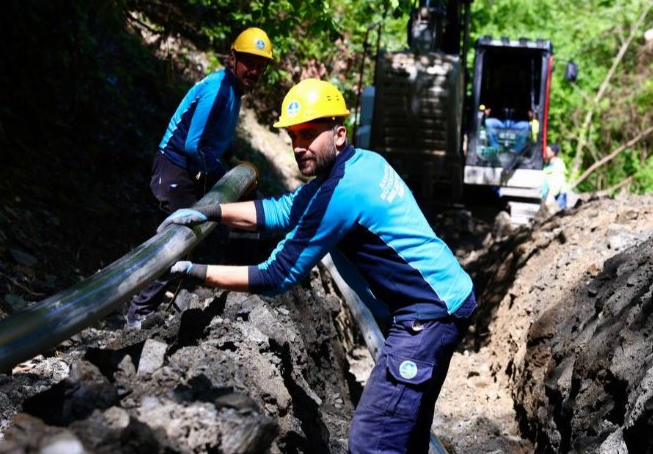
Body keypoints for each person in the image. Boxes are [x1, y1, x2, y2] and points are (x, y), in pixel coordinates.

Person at [158, 78, 476, 452]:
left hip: (427, 317)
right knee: (406, 436)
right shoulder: (363, 164)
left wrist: (196, 273)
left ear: (339, 134)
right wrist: (207, 211)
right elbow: (282, 211)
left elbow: (275, 275)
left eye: (309, 134)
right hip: (446, 300)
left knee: (371, 441)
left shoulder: (342, 192)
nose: (298, 145)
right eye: (293, 135)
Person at [125, 27, 273, 328]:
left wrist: (232, 162)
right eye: (249, 62)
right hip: (174, 167)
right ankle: (137, 312)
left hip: (188, 169)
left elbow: (216, 139)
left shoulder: (232, 92)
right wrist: (224, 177)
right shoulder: (219, 89)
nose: (254, 70)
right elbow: (195, 144)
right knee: (179, 239)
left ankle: (208, 288)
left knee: (193, 237)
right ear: (232, 58)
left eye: (261, 65)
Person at [541, 143, 568, 209]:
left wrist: (552, 194)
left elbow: (559, 181)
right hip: (550, 194)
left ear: (553, 153)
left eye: (548, 151)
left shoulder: (558, 164)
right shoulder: (547, 165)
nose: (546, 153)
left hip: (558, 194)